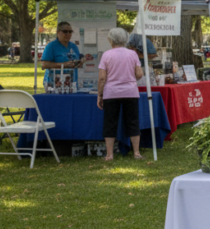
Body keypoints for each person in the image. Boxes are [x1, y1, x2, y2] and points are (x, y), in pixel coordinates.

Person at [96, 27, 144, 161]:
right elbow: (139, 74)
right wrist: (130, 78)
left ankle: (109, 154)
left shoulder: (106, 55)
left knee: (110, 123)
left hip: (111, 92)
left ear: (110, 40)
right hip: (130, 92)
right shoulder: (133, 54)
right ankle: (136, 153)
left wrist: (99, 95)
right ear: (125, 39)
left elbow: (102, 78)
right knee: (133, 122)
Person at [41, 21, 93, 86]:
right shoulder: (51, 46)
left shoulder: (74, 46)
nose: (68, 34)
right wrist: (63, 65)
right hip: (55, 84)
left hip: (72, 84)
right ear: (58, 32)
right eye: (65, 31)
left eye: (70, 32)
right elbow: (44, 65)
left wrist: (80, 62)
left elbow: (76, 61)